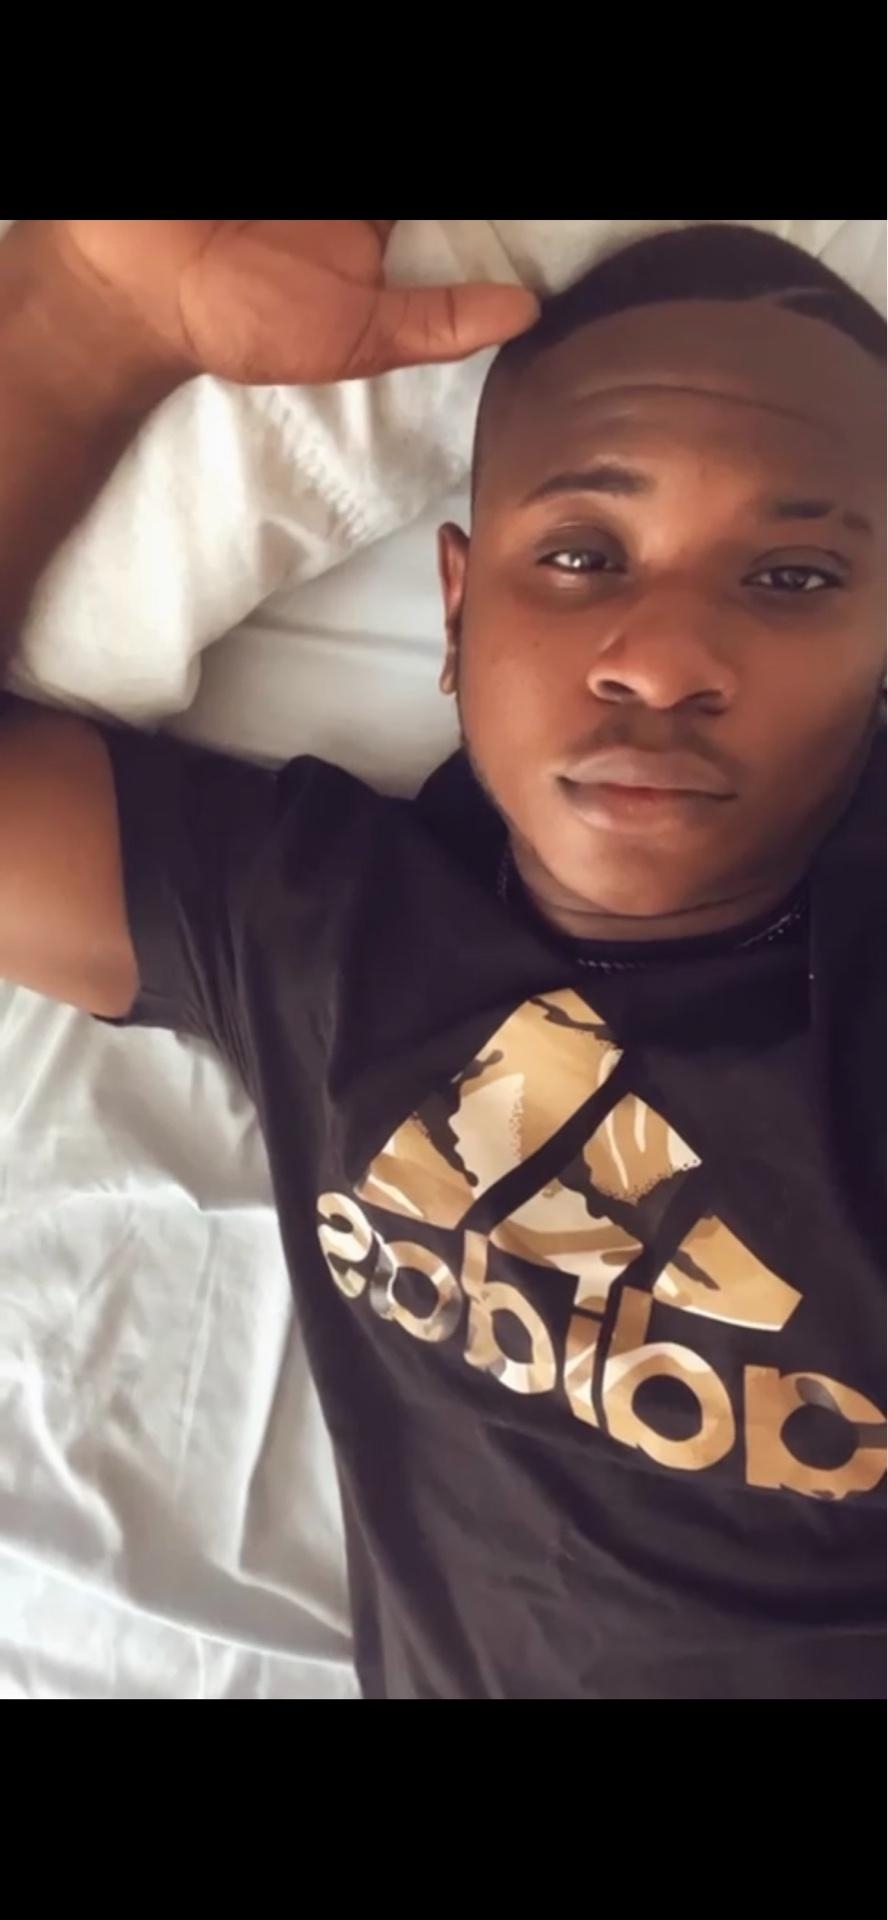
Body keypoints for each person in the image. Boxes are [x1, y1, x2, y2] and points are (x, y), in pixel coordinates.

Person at [0, 218, 884, 1701]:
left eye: (793, 578)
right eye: (583, 554)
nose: (663, 660)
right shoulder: (319, 930)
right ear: (458, 610)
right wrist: (81, 325)